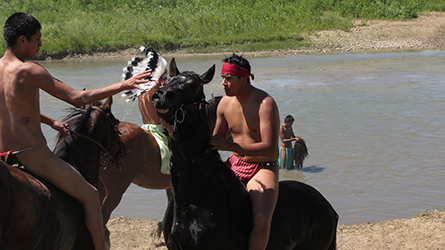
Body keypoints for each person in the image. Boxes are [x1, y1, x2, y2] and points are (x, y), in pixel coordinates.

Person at [0, 12, 151, 250]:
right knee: (91, 195)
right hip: (32, 155)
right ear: (22, 40)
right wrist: (124, 84)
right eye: (37, 39)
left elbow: (13, 109)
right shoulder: (30, 71)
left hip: (2, 154)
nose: (41, 44)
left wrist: (50, 122)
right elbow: (77, 98)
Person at [210, 53, 280, 250]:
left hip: (262, 167)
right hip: (234, 164)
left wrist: (231, 147)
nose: (224, 83)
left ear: (244, 78)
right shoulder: (224, 103)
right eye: (222, 78)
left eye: (229, 79)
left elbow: (269, 149)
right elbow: (217, 141)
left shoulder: (265, 103)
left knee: (262, 219)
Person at [138, 69, 173, 174]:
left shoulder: (141, 92)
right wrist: (172, 131)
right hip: (159, 130)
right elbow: (164, 121)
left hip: (145, 127)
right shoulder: (157, 93)